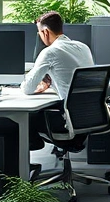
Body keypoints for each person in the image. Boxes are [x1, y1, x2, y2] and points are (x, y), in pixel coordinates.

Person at [23, 11, 94, 151]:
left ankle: (27, 156)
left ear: (46, 32)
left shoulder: (50, 52)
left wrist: (41, 86)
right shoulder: (83, 47)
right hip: (89, 116)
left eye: (39, 33)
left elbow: (27, 88)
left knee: (25, 116)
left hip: (66, 121)